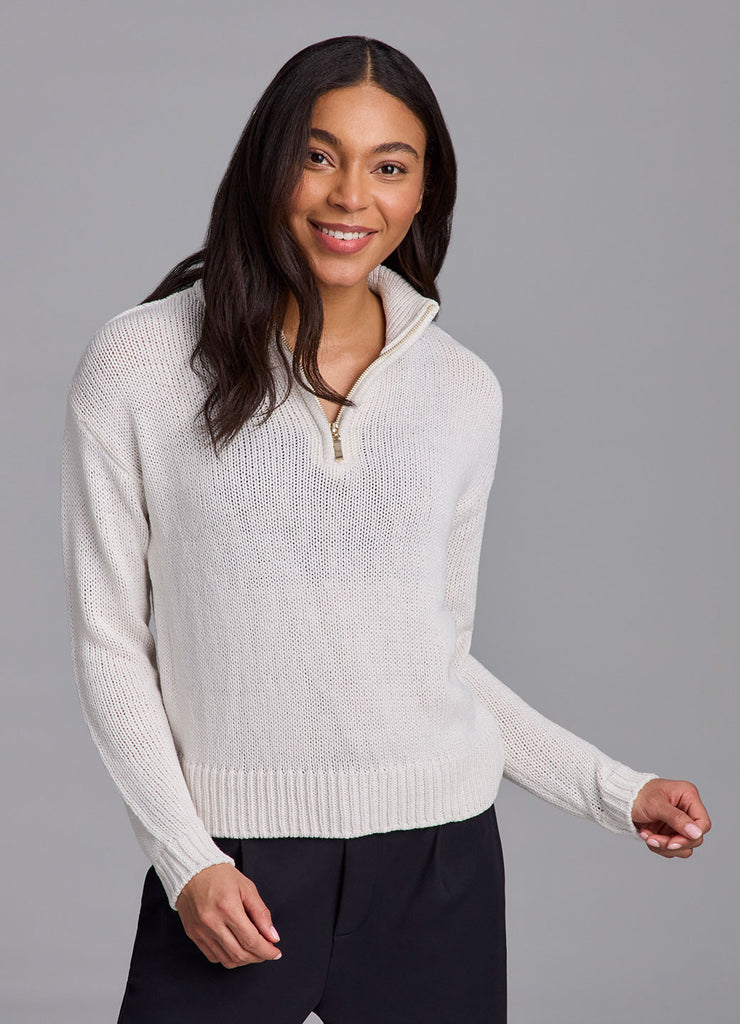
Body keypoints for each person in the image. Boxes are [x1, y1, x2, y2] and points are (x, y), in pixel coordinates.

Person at [60, 34, 711, 1024]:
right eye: (318, 155)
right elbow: (111, 642)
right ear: (267, 165)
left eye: (389, 167)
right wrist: (187, 860)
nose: (349, 196)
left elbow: (434, 663)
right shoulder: (141, 364)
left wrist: (613, 790)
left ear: (422, 194)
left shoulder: (463, 392)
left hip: (437, 870)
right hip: (232, 869)